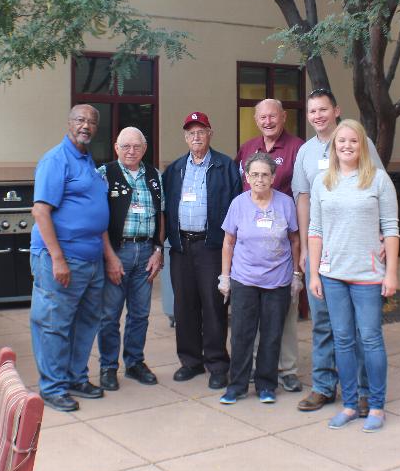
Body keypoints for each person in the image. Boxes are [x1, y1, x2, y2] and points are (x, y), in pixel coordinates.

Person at [291, 88, 382, 415]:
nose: (318, 116)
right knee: (323, 322)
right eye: (312, 111)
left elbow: (378, 190)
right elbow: (303, 199)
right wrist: (303, 246)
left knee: (357, 327)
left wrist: (382, 238)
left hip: (357, 250)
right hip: (321, 250)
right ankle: (323, 386)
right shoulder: (305, 153)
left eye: (323, 110)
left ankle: (359, 391)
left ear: (336, 110)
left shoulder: (359, 142)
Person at [308, 119, 399, 433]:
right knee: (343, 341)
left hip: (368, 274)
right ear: (334, 146)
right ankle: (349, 404)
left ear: (363, 145)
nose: (346, 146)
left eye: (353, 141)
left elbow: (391, 229)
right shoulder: (323, 182)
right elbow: (315, 231)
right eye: (341, 141)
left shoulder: (378, 180)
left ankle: (375, 404)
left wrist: (391, 274)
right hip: (333, 275)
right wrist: (315, 274)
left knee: (370, 340)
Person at [29, 104, 115, 412]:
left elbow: (94, 212)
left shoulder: (87, 161)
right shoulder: (56, 160)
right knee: (54, 323)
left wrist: (107, 257)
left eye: (92, 121)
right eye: (80, 120)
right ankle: (53, 387)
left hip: (90, 260)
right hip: (63, 259)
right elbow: (41, 211)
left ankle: (76, 377)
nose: (86, 126)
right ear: (69, 123)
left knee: (86, 322)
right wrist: (58, 259)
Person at [163, 111, 243, 389]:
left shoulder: (225, 166)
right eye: (191, 132)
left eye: (201, 131)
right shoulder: (174, 170)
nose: (196, 136)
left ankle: (218, 363)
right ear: (185, 137)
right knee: (184, 305)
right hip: (182, 247)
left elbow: (236, 208)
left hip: (212, 247)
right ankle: (190, 361)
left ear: (210, 133)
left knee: (213, 305)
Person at [234, 98, 306, 393]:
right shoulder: (247, 148)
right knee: (249, 316)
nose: (267, 121)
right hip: (251, 246)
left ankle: (287, 369)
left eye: (272, 116)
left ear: (283, 117)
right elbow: (241, 191)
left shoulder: (297, 148)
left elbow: (303, 192)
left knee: (284, 313)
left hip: (283, 241)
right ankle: (253, 367)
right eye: (262, 117)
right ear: (255, 119)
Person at [218, 153, 300, 405]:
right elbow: (228, 242)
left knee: (272, 333)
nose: (260, 179)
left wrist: (297, 274)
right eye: (255, 174)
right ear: (247, 177)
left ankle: (266, 385)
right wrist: (225, 277)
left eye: (265, 174)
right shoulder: (238, 204)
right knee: (241, 334)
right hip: (244, 278)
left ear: (274, 177)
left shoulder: (286, 204)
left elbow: (295, 240)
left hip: (278, 279)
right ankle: (237, 386)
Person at [96, 127, 165, 391]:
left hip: (146, 252)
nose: (131, 151)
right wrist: (109, 256)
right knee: (110, 315)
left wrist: (158, 250)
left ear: (144, 148)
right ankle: (108, 367)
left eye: (136, 146)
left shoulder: (154, 176)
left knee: (140, 314)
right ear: (116, 147)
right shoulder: (105, 175)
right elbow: (98, 219)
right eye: (125, 146)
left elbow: (161, 214)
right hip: (117, 252)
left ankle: (135, 362)